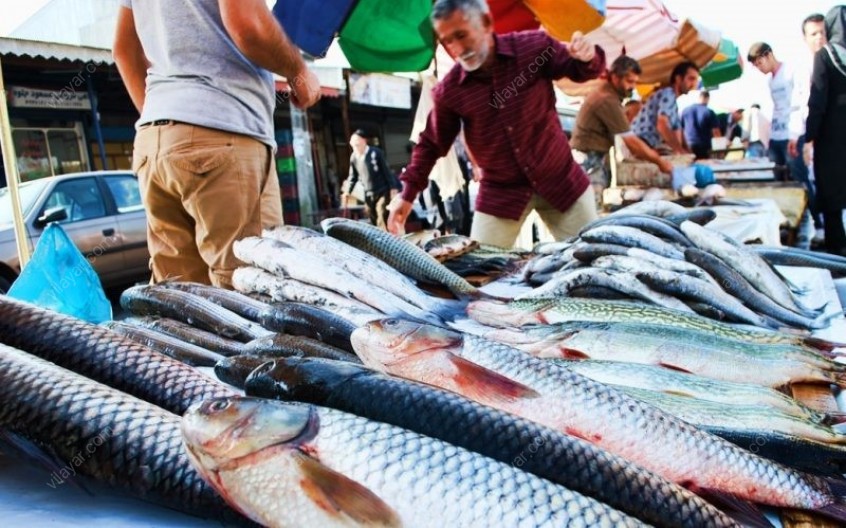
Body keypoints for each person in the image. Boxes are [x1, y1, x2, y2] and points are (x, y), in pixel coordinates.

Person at [113, 0, 321, 289]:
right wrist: (298, 72)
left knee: (180, 302)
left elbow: (124, 50)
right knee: (252, 292)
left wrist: (168, 116)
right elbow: (246, 23)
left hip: (154, 144)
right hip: (223, 131)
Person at [386, 0, 605, 248]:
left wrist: (588, 57)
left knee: (592, 255)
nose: (457, 48)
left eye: (461, 35)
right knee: (481, 269)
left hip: (561, 180)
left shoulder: (534, 48)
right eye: (447, 40)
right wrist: (408, 193)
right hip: (501, 193)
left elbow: (579, 69)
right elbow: (432, 143)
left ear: (487, 23)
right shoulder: (450, 91)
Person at [570, 55, 674, 194]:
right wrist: (659, 162)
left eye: (635, 82)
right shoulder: (607, 100)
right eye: (629, 81)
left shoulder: (607, 94)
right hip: (588, 159)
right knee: (590, 207)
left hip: (591, 157)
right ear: (615, 77)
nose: (632, 87)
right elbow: (631, 142)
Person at [805, 6, 846, 256]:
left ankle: (838, 247)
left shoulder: (825, 55)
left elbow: (818, 99)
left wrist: (809, 137)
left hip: (831, 136)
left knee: (831, 191)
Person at [631, 61, 699, 154]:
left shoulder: (673, 104)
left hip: (645, 145)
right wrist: (679, 151)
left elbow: (678, 132)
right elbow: (662, 125)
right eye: (691, 79)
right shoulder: (667, 93)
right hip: (639, 143)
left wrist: (688, 152)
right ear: (678, 79)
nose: (694, 84)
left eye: (696, 80)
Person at [342, 129, 401, 230]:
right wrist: (347, 192)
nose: (355, 144)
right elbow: (353, 177)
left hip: (382, 191)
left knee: (381, 216)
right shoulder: (354, 157)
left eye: (357, 141)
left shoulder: (376, 153)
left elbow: (386, 171)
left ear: (364, 140)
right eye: (353, 142)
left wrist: (393, 187)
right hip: (368, 193)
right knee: (372, 218)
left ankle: (385, 242)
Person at [680, 90, 722, 159]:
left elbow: (680, 129)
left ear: (699, 97)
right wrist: (720, 149)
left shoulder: (685, 110)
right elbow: (716, 132)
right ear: (708, 99)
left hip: (689, 144)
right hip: (704, 146)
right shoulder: (709, 112)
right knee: (703, 166)